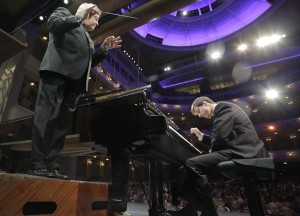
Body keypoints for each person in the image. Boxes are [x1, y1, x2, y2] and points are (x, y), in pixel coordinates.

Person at [31, 3, 121, 180]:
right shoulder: (64, 13)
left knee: (61, 127)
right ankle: (39, 164)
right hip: (56, 75)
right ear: (88, 12)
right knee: (45, 118)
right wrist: (79, 17)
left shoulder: (88, 38)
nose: (97, 22)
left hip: (74, 87)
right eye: (96, 17)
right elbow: (53, 25)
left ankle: (52, 165)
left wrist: (102, 49)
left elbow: (88, 63)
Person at [168, 96, 269, 216]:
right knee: (185, 168)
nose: (199, 116)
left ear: (205, 104)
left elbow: (220, 137)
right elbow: (222, 138)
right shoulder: (223, 110)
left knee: (191, 164)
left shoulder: (223, 108)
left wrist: (212, 151)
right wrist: (202, 137)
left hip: (242, 152)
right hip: (236, 149)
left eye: (198, 111)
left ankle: (208, 212)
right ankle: (192, 208)